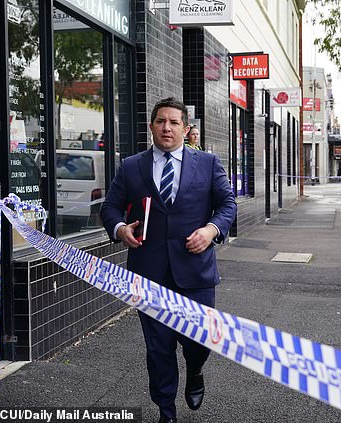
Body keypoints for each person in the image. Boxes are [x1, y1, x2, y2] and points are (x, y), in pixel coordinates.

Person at [101, 97, 236, 423]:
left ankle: (195, 369)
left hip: (196, 272)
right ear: (151, 126)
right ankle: (166, 411)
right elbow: (110, 208)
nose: (167, 127)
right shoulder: (132, 166)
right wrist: (121, 229)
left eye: (174, 122)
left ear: (186, 128)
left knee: (197, 341)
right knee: (159, 349)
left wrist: (211, 229)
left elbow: (227, 203)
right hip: (149, 274)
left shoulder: (207, 163)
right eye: (161, 121)